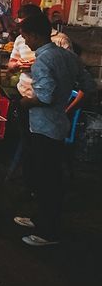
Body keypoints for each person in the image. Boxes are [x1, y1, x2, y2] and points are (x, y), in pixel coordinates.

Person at [14, 13, 96, 246]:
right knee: (47, 175)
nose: (26, 42)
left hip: (43, 126)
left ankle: (48, 232)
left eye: (26, 36)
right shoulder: (68, 57)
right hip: (59, 124)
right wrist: (68, 107)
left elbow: (46, 96)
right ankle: (40, 218)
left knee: (47, 178)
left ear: (36, 35)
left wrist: (26, 102)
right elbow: (88, 86)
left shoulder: (43, 61)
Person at [7, 4, 73, 188]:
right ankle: (31, 187)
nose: (25, 38)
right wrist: (19, 65)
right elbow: (10, 65)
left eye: (26, 28)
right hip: (26, 95)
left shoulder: (60, 41)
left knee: (46, 153)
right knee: (29, 145)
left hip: (48, 108)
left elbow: (69, 73)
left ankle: (44, 194)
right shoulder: (22, 39)